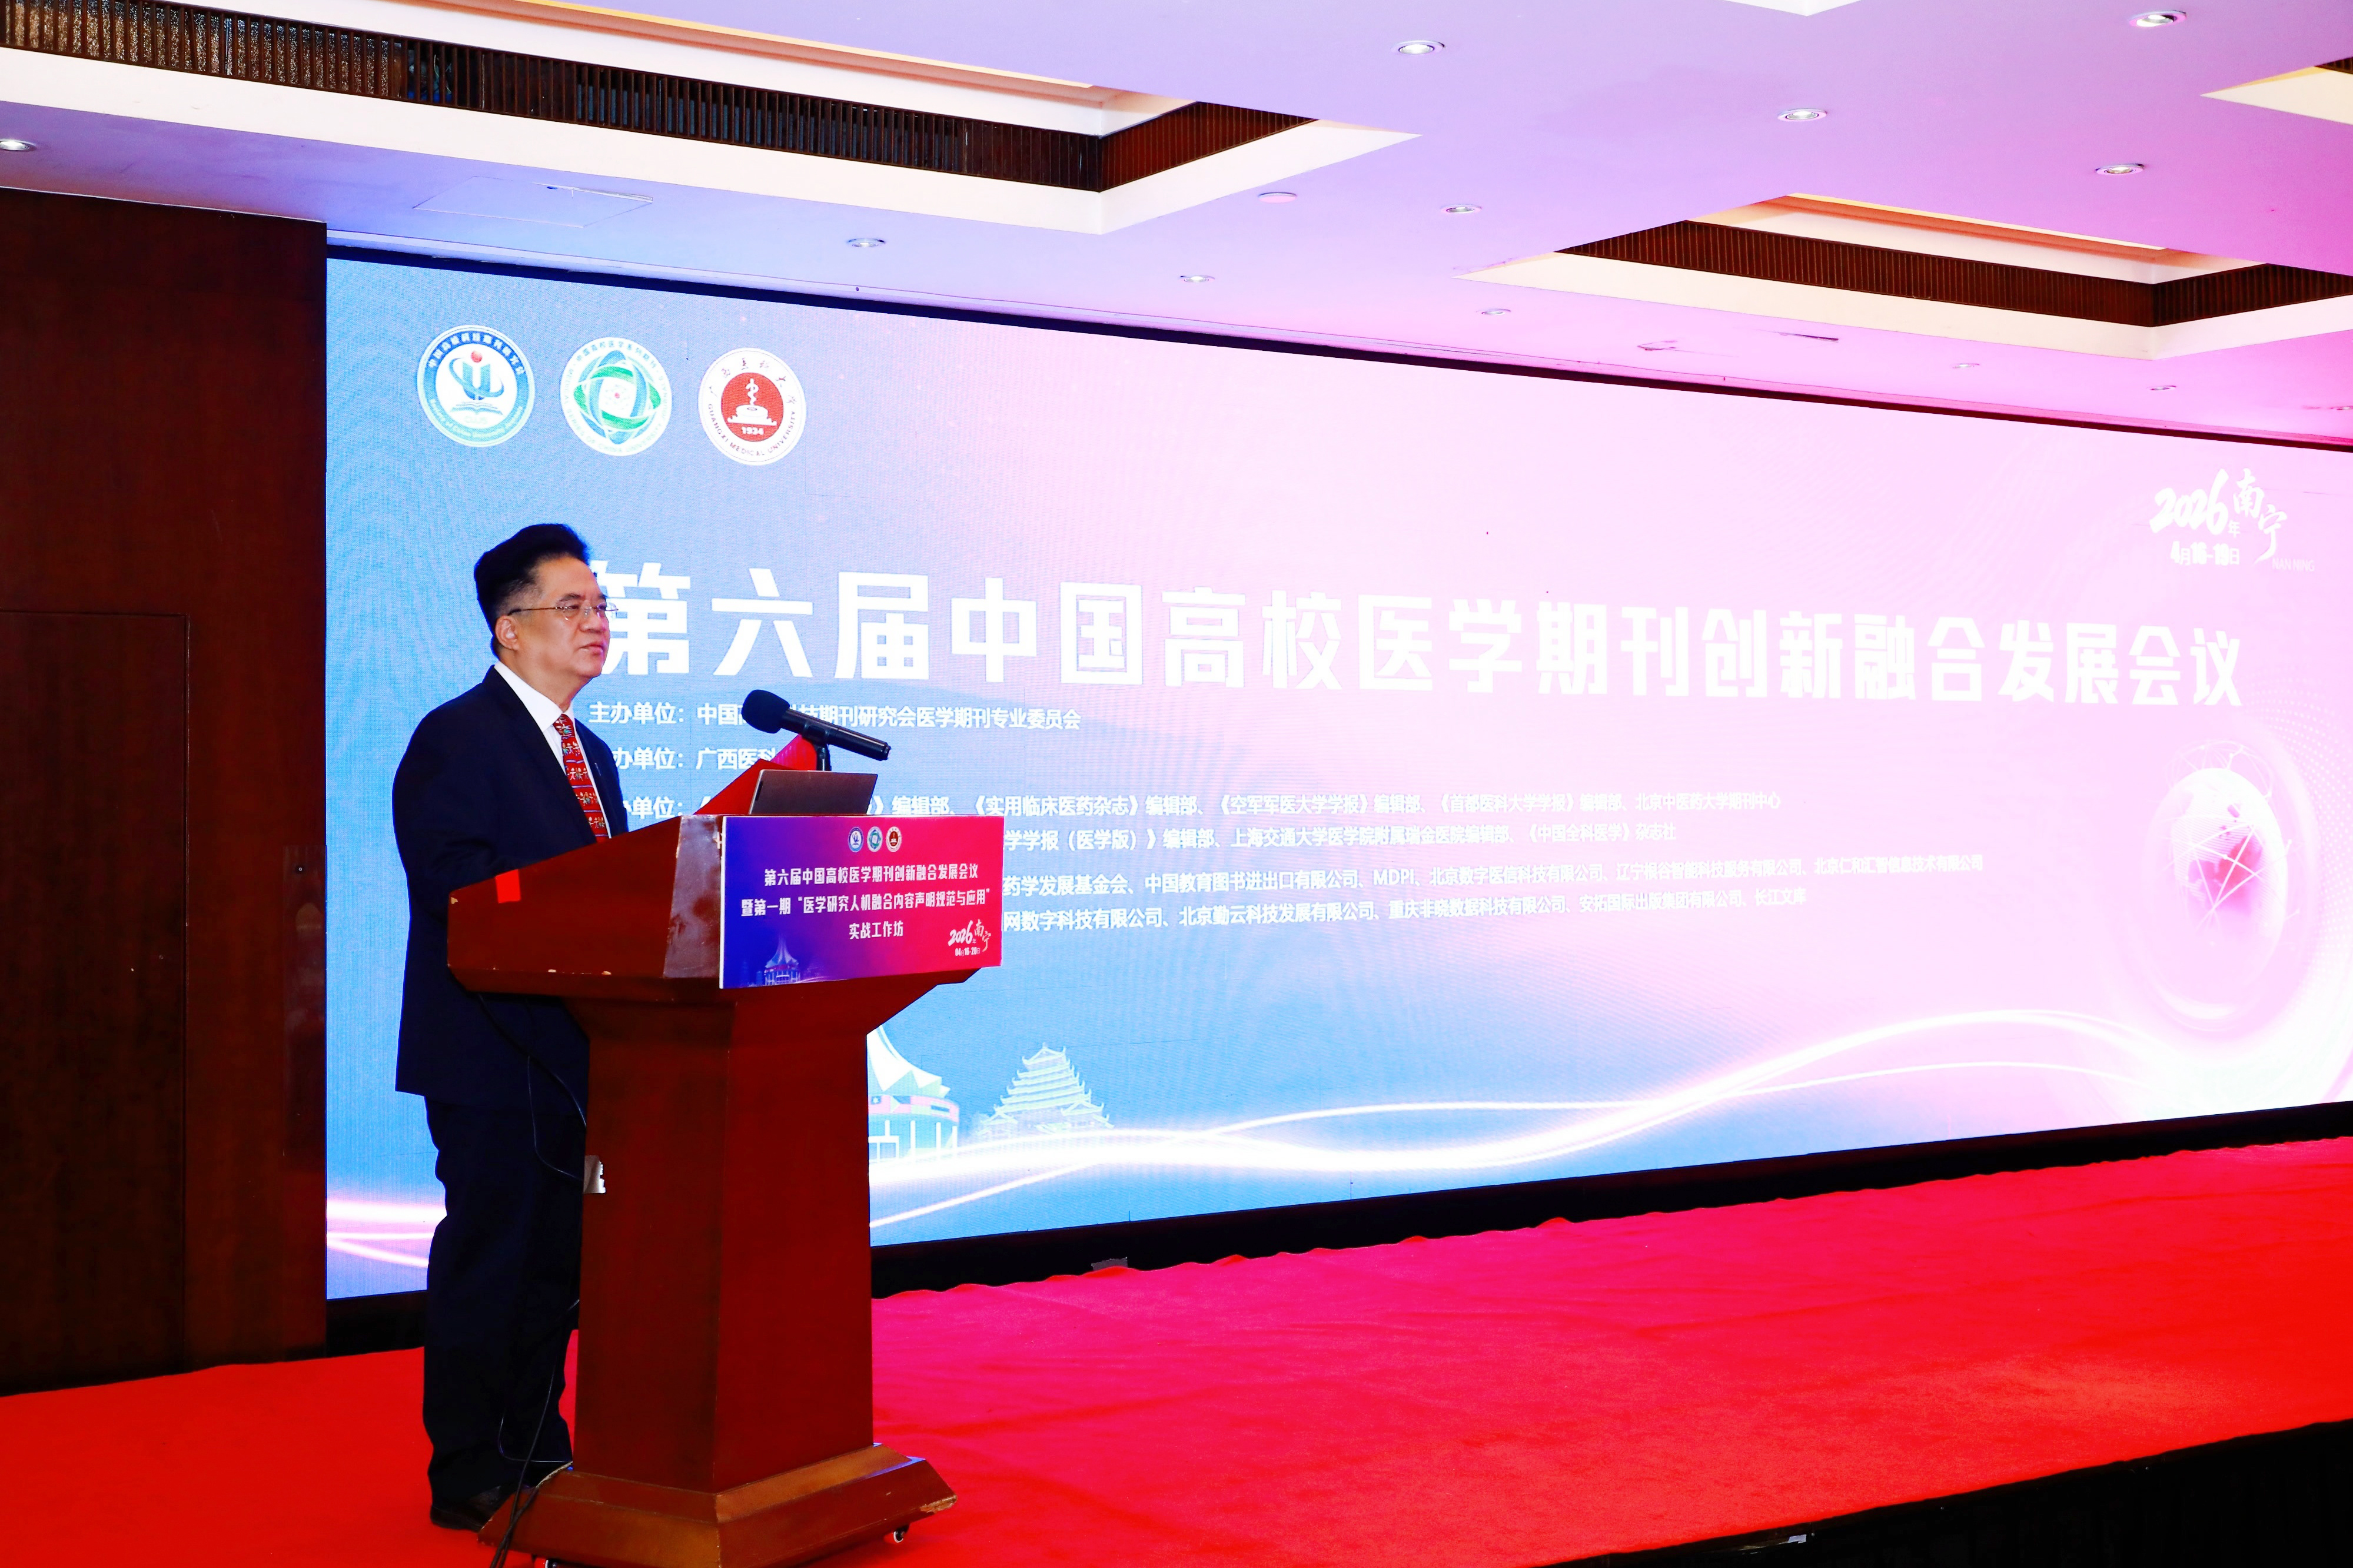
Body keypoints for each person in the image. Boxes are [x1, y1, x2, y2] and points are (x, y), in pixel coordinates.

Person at [392, 524, 627, 1531]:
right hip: (491, 1056)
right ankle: (468, 1470)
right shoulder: (457, 737)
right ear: (509, 628)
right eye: (572, 607)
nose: (596, 623)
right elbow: (458, 892)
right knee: (491, 1262)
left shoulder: (592, 754)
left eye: (602, 606)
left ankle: (539, 1446)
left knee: (557, 1273)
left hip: (579, 1056)